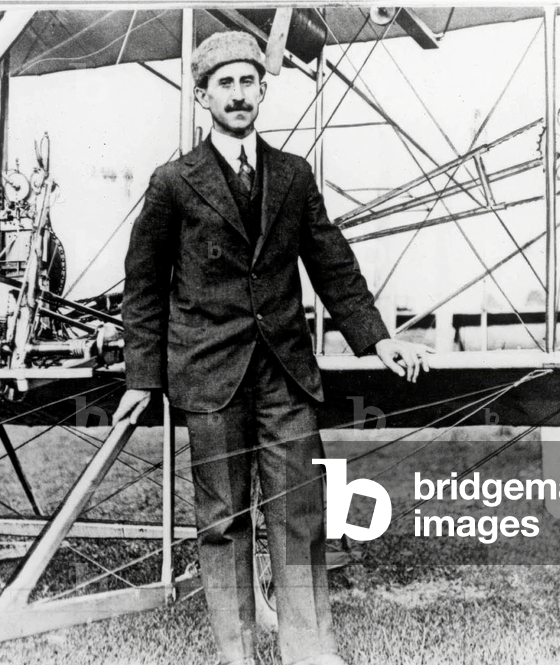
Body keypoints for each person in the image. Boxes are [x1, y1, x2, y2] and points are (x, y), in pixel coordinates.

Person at [113, 31, 431, 665]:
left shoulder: (292, 174)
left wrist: (378, 339)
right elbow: (144, 287)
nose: (237, 94)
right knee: (223, 520)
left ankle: (309, 651)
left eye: (247, 82)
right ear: (202, 96)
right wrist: (140, 379)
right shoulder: (173, 182)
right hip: (209, 375)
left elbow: (331, 263)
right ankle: (239, 656)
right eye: (223, 84)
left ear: (263, 90)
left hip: (286, 374)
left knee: (300, 514)